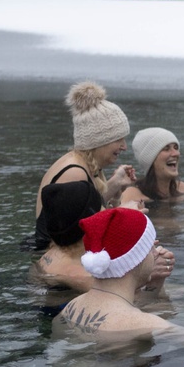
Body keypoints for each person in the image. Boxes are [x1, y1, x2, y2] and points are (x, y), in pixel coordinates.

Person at [58, 207, 184, 346]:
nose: (156, 253)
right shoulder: (147, 324)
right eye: (150, 248)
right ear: (136, 258)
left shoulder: (70, 308)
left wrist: (155, 283)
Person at [33, 81, 136, 250]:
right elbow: (75, 234)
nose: (124, 146)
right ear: (98, 140)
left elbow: (83, 213)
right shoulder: (74, 172)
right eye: (118, 139)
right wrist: (125, 214)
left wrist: (115, 184)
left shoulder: (84, 164)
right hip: (52, 262)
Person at [32, 181, 176, 296]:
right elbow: (131, 307)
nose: (108, 213)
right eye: (104, 209)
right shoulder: (80, 276)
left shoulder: (58, 252)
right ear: (88, 223)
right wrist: (151, 276)